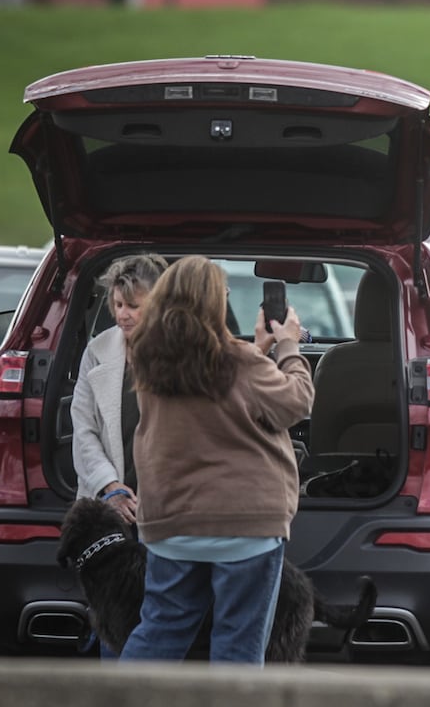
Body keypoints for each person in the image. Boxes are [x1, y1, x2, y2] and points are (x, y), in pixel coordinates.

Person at [117, 255, 312, 666]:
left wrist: (257, 349)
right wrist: (288, 345)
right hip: (245, 525)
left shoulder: (147, 361)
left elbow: (210, 382)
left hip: (172, 521)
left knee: (160, 628)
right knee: (238, 640)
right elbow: (295, 403)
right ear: (214, 303)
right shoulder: (239, 361)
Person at [72, 253, 168, 525]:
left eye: (134, 306)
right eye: (118, 304)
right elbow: (83, 430)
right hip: (108, 505)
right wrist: (110, 486)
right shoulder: (97, 351)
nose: (123, 315)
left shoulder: (182, 353)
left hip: (169, 508)